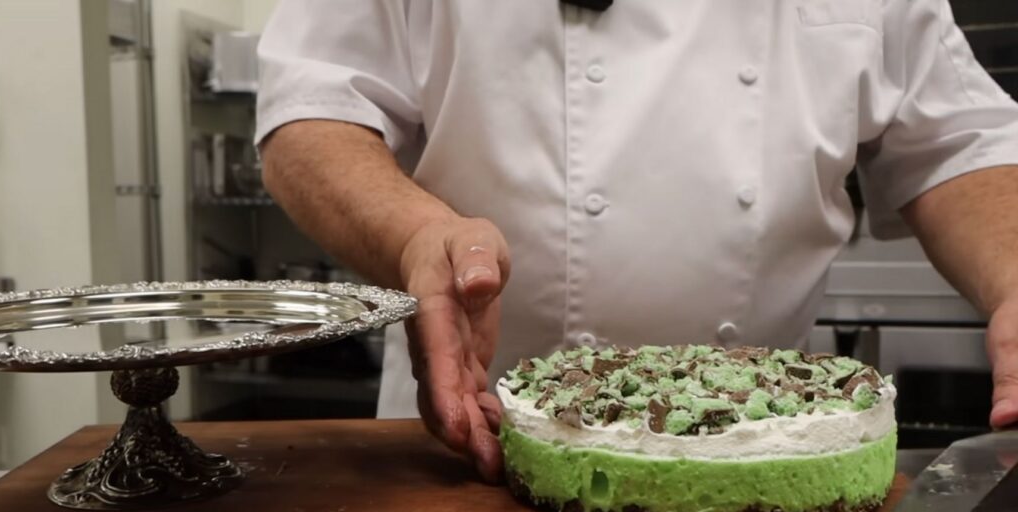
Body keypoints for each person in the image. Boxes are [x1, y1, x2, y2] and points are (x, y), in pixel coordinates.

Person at [255, 0, 1018, 482]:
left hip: (766, 456)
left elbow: (962, 143)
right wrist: (421, 234)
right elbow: (311, 112)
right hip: (474, 444)